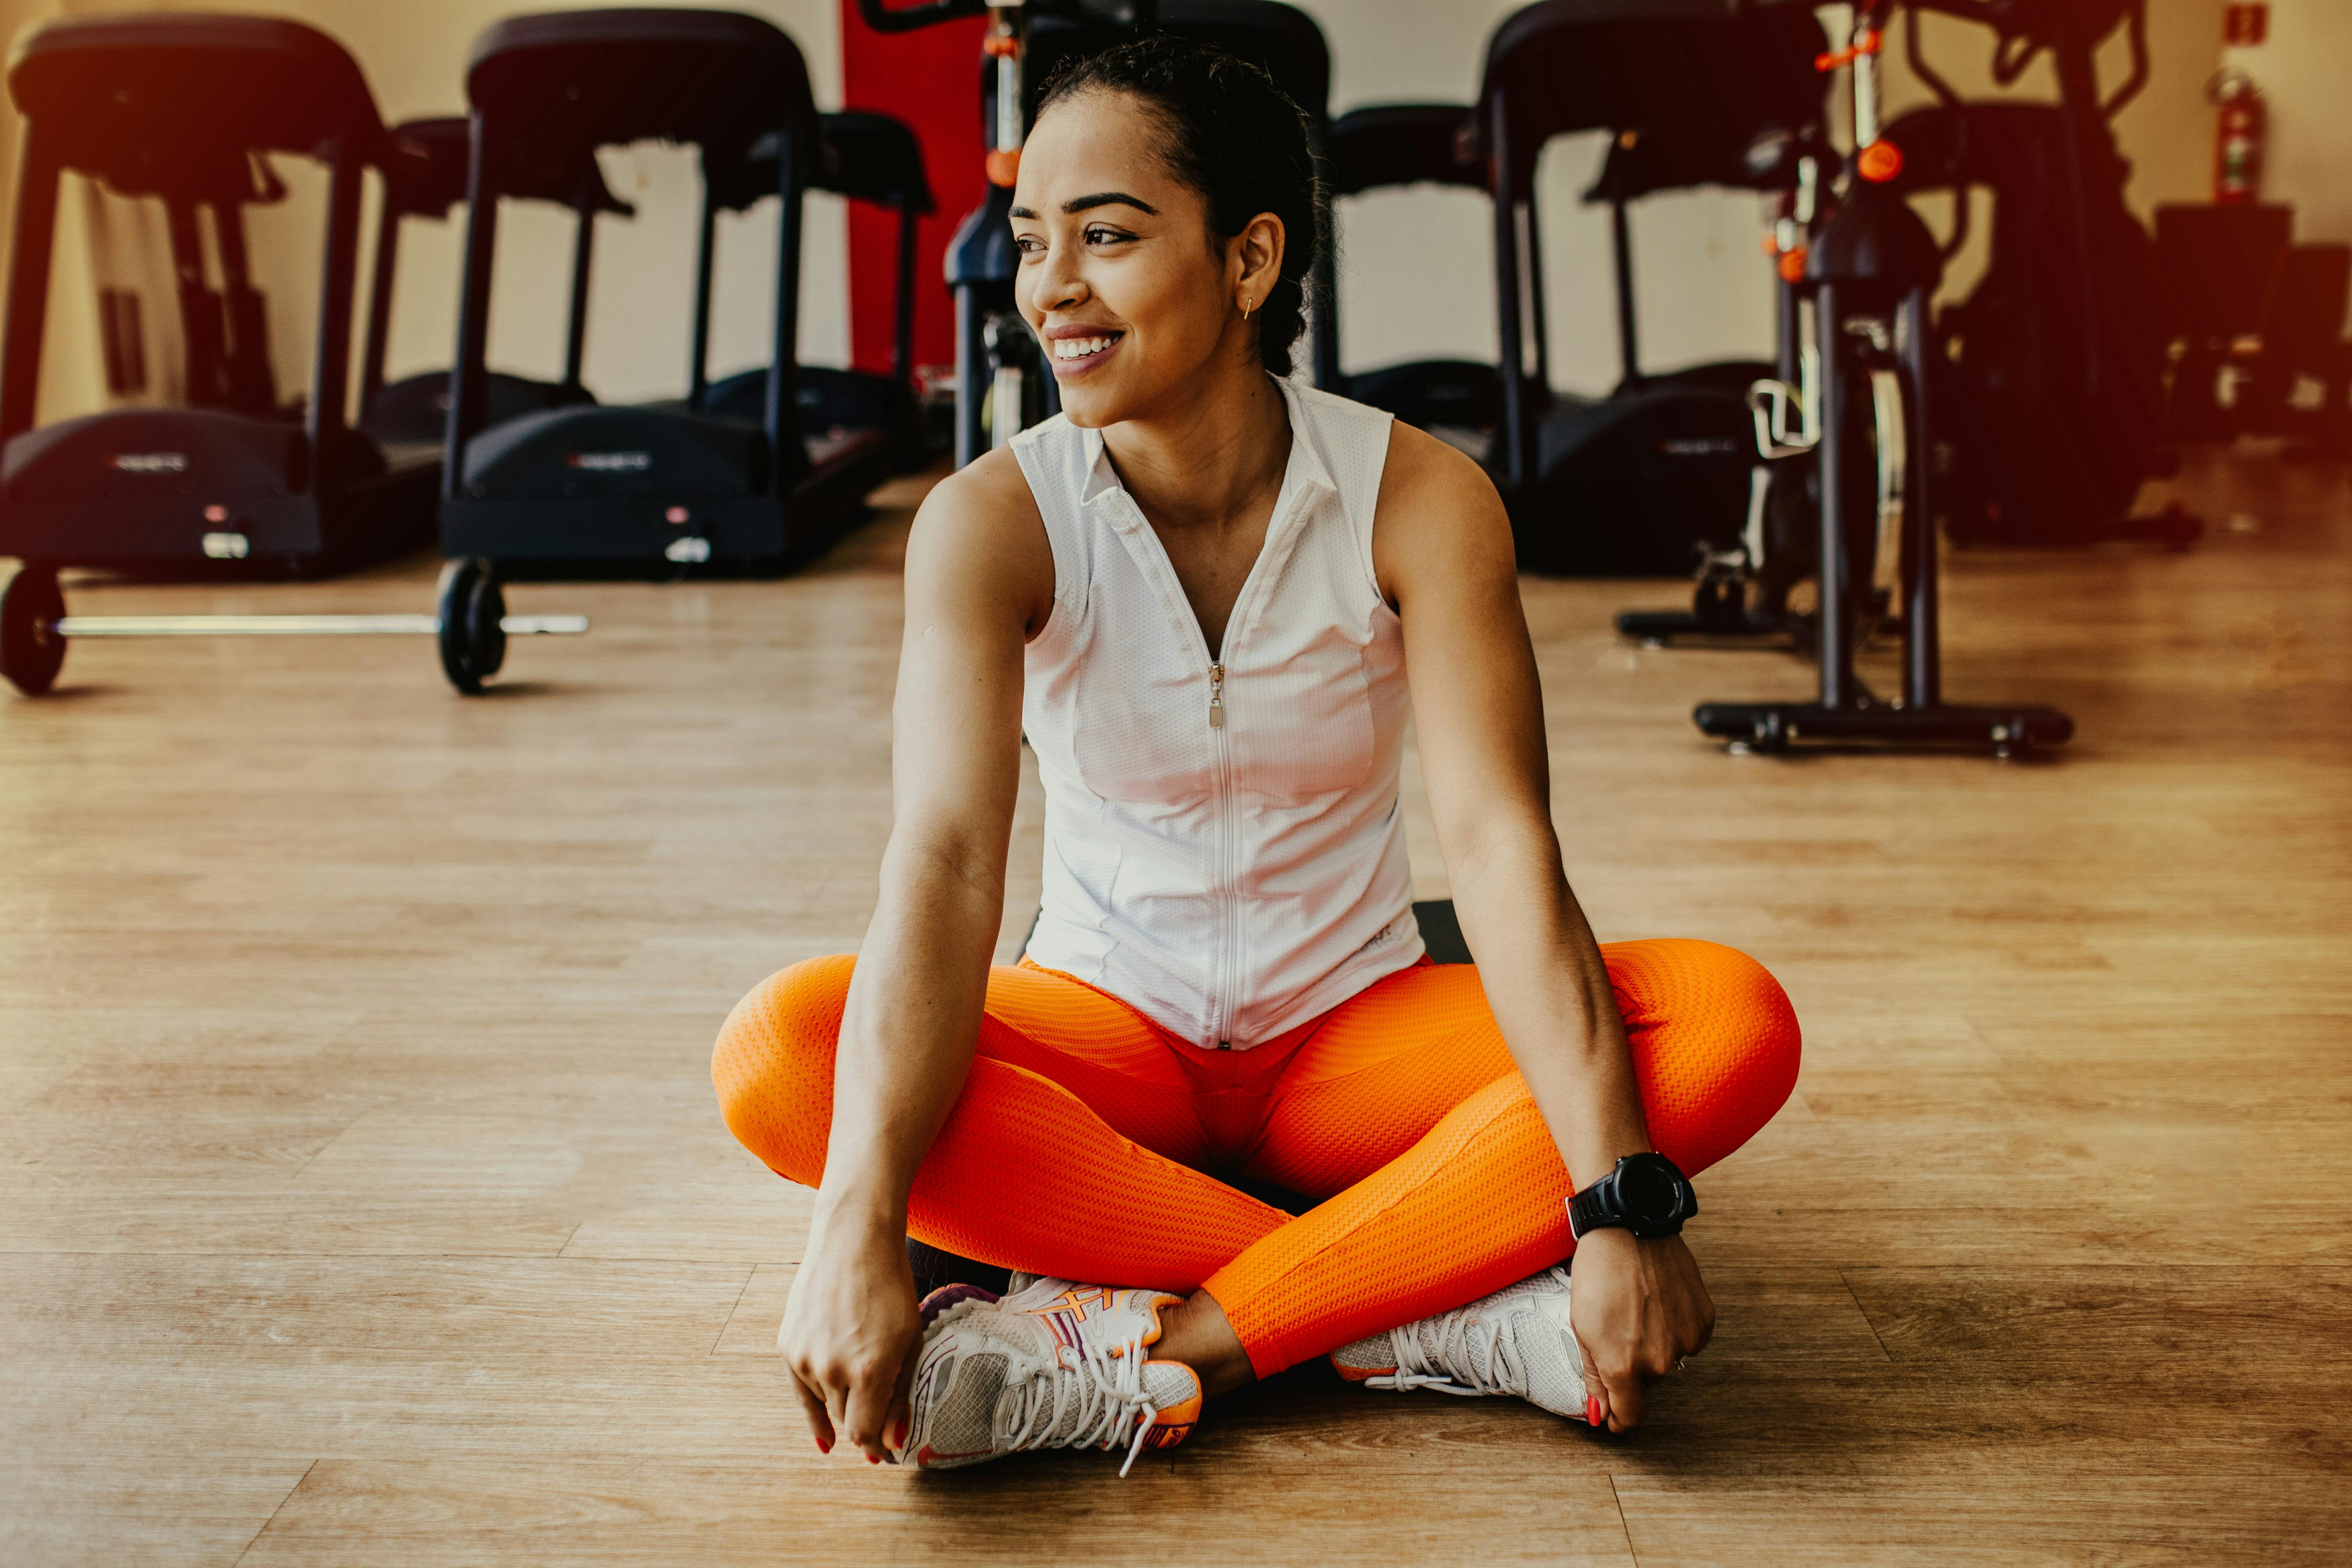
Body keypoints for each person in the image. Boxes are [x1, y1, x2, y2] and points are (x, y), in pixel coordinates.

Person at [712, 36, 1799, 1474]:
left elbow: (1497, 846)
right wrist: (851, 1223)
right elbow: (950, 860)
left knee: (1730, 1022)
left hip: (1348, 1035)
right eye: (1037, 241)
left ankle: (1168, 1345)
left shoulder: (1421, 496)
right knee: (782, 1055)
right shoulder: (993, 520)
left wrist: (1621, 1202)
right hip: (1114, 1035)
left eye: (1106, 236)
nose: (1050, 288)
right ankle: (1425, 1308)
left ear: (1249, 257)